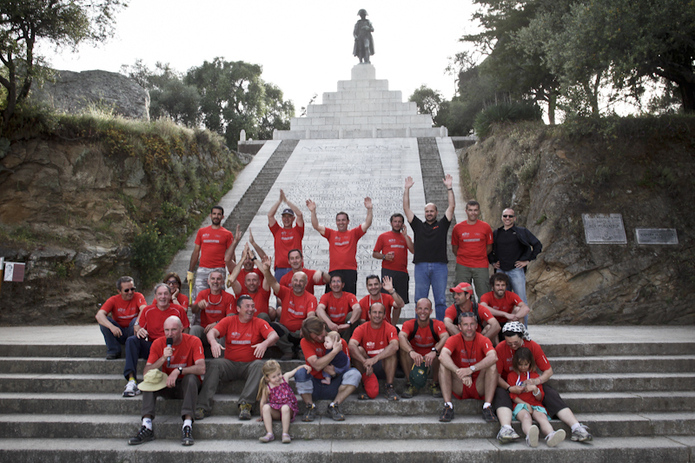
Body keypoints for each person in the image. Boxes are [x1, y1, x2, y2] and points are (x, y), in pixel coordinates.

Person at [493, 322, 592, 443]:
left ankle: (576, 427)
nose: (513, 345)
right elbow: (495, 376)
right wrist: (509, 388)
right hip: (508, 383)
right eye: (509, 343)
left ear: (522, 337)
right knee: (499, 392)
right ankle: (506, 428)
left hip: (531, 383)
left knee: (550, 393)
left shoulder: (533, 346)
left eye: (516, 343)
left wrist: (536, 381)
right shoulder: (500, 348)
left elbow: (548, 371)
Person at [195, 295, 279, 421]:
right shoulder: (229, 320)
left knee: (259, 365)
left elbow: (274, 335)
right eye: (247, 306)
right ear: (238, 309)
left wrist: (264, 343)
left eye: (252, 306)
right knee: (215, 364)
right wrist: (213, 343)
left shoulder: (259, 322)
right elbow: (212, 332)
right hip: (230, 364)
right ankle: (202, 406)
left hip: (249, 366)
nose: (251, 309)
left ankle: (246, 405)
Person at [128, 316, 205, 446]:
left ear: (182, 329)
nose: (170, 334)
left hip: (186, 386)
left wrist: (179, 370)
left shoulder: (193, 341)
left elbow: (202, 368)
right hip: (165, 384)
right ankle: (147, 425)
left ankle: (187, 425)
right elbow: (146, 372)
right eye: (167, 330)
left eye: (173, 330)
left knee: (191, 378)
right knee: (150, 379)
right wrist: (163, 358)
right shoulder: (158, 343)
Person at [403, 174, 455, 321]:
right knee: (419, 300)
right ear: (424, 213)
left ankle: (441, 328)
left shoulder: (442, 225)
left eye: (432, 211)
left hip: (440, 266)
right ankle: (418, 328)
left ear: (436, 213)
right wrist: (407, 189)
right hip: (421, 266)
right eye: (427, 211)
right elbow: (406, 208)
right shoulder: (418, 226)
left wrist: (449, 188)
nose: (429, 213)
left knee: (440, 301)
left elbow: (451, 207)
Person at [122, 283, 189, 398]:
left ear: (170, 295)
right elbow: (141, 330)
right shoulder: (148, 310)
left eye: (165, 294)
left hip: (172, 346)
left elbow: (186, 330)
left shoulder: (178, 310)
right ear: (155, 296)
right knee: (131, 340)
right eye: (160, 294)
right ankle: (131, 380)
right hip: (154, 347)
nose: (163, 297)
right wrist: (140, 332)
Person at [294, 317, 362, 422]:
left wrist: (334, 373)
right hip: (314, 384)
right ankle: (310, 406)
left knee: (355, 374)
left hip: (334, 385)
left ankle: (334, 406)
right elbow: (316, 365)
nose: (318, 338)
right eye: (314, 338)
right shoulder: (305, 341)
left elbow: (346, 367)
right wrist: (334, 352)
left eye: (319, 335)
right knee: (300, 373)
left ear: (324, 327)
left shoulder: (340, 342)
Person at [438, 312, 498, 423]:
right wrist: (460, 372)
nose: (469, 328)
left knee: (492, 365)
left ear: (476, 326)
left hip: (478, 384)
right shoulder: (453, 339)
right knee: (443, 365)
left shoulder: (483, 339)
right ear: (459, 327)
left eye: (472, 324)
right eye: (465, 325)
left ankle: (487, 406)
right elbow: (442, 356)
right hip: (460, 384)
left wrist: (471, 369)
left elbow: (493, 357)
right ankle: (448, 406)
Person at [306, 196, 373, 296]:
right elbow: (316, 226)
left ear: (348, 221)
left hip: (350, 271)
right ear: (336, 222)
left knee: (349, 297)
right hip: (334, 271)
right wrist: (313, 211)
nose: (341, 222)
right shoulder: (331, 233)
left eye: (343, 220)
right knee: (330, 297)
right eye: (338, 220)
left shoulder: (354, 233)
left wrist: (369, 209)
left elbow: (367, 224)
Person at [489, 208, 542, 326]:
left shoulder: (521, 231)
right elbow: (488, 249)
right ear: (502, 217)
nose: (507, 218)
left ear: (515, 218)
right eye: (505, 216)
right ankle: (504, 332)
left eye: (510, 216)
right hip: (501, 271)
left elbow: (537, 245)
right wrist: (492, 262)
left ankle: (524, 331)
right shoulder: (496, 233)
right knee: (501, 302)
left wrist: (527, 260)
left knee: (521, 302)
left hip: (516, 270)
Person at [261, 256, 318, 359]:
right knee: (272, 326)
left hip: (302, 333)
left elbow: (311, 315)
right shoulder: (285, 292)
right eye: (295, 280)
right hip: (286, 333)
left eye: (301, 281)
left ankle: (302, 349)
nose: (298, 283)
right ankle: (289, 350)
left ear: (305, 283)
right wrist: (267, 271)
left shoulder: (311, 298)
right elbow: (273, 283)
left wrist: (305, 326)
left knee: (312, 324)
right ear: (292, 282)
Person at [508, 347, 566, 448]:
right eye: (520, 364)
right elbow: (513, 396)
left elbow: (540, 397)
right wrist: (525, 404)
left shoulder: (534, 376)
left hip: (535, 404)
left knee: (542, 417)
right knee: (526, 417)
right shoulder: (512, 376)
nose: (523, 367)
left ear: (530, 363)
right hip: (520, 404)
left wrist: (535, 389)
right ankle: (530, 436)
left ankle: (551, 434)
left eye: (525, 364)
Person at [398, 298, 449, 398]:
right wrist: (411, 351)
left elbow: (446, 337)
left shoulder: (437, 324)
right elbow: (401, 336)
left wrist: (434, 350)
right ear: (416, 310)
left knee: (442, 351)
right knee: (403, 350)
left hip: (431, 359)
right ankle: (410, 383)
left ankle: (435, 383)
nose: (422, 312)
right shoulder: (410, 324)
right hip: (415, 359)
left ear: (431, 311)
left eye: (426, 309)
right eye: (420, 308)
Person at [349, 302, 400, 401]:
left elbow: (395, 346)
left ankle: (389, 387)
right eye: (374, 312)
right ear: (369, 314)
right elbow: (351, 345)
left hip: (383, 365)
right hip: (367, 367)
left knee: (391, 353)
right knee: (358, 350)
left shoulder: (390, 328)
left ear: (384, 315)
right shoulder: (361, 328)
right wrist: (365, 362)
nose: (377, 315)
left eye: (380, 313)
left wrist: (375, 359)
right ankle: (365, 384)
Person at [187, 206, 238, 302]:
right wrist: (190, 271)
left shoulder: (227, 234)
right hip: (203, 269)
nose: (216, 216)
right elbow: (196, 252)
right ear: (210, 215)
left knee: (218, 299)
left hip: (219, 270)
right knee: (199, 299)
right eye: (214, 214)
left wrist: (232, 273)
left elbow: (232, 255)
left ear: (222, 217)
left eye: (219, 214)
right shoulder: (202, 232)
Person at [257, 360, 311, 444]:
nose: (278, 378)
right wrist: (262, 415)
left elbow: (295, 370)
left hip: (288, 410)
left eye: (279, 374)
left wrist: (303, 366)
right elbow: (263, 402)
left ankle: (285, 434)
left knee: (285, 407)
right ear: (267, 378)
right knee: (266, 407)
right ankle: (269, 433)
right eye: (274, 377)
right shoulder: (267, 388)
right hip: (276, 411)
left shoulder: (284, 378)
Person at [96, 276, 147, 360]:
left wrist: (138, 323)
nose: (130, 292)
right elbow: (99, 315)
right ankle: (114, 350)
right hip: (119, 332)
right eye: (126, 290)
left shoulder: (138, 296)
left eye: (132, 289)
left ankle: (133, 349)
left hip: (133, 329)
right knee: (104, 322)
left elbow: (144, 309)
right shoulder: (113, 300)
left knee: (136, 320)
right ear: (119, 291)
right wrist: (111, 327)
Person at [451, 200, 493, 299]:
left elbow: (489, 247)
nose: (473, 213)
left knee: (484, 294)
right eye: (470, 210)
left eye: (475, 210)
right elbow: (455, 248)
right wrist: (465, 256)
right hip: (463, 265)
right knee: (461, 294)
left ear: (478, 211)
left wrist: (479, 254)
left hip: (481, 265)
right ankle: (463, 314)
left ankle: (483, 314)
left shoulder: (486, 227)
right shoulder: (457, 228)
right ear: (466, 211)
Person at [189, 268, 236, 355]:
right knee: (194, 329)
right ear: (208, 281)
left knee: (223, 333)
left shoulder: (229, 297)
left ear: (222, 282)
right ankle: (193, 358)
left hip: (219, 331)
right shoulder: (202, 294)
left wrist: (217, 323)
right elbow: (193, 310)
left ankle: (220, 361)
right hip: (205, 330)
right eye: (213, 279)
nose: (215, 281)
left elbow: (231, 318)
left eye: (218, 279)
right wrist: (198, 305)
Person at [372, 213, 414, 304]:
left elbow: (413, 250)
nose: (397, 224)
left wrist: (406, 235)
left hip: (402, 272)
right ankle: (386, 318)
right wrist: (384, 256)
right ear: (391, 223)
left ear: (403, 224)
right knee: (385, 299)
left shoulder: (406, 237)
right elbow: (374, 253)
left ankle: (395, 319)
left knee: (400, 301)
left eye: (399, 222)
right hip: (388, 271)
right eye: (395, 221)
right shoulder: (383, 236)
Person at [229, 244, 275, 322]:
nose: (251, 283)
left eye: (254, 280)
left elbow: (267, 273)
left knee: (264, 315)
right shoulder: (241, 293)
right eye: (249, 280)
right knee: (230, 316)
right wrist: (243, 259)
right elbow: (232, 279)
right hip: (244, 326)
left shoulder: (263, 292)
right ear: (245, 283)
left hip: (260, 327)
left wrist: (254, 258)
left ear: (259, 283)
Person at [267, 189, 304, 281]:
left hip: (295, 268)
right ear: (282, 218)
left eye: (289, 217)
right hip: (280, 269)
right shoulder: (277, 230)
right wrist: (279, 201)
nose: (286, 219)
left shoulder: (298, 231)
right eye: (284, 217)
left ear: (293, 218)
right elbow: (270, 215)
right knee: (280, 294)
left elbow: (300, 214)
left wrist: (286, 201)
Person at [316, 274, 361, 340]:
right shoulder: (326, 296)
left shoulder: (349, 296)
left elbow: (357, 308)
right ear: (330, 285)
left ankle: (346, 343)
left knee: (352, 314)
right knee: (319, 314)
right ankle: (329, 342)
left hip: (346, 328)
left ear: (343, 285)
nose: (336, 284)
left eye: (338, 281)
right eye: (333, 282)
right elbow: (319, 309)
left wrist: (348, 324)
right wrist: (330, 324)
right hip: (330, 328)